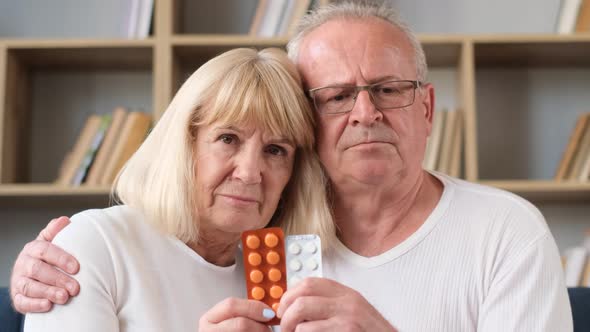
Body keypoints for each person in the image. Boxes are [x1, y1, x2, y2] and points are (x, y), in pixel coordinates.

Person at [11, 2, 573, 331]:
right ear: (312, 123)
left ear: (427, 108)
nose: (365, 113)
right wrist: (57, 263)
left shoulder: (507, 233)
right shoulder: (266, 245)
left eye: (388, 88)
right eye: (335, 96)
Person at [20, 47, 336, 331]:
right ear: (184, 145)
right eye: (228, 139)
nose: (250, 173)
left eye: (275, 150)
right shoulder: (95, 244)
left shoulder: (281, 279)